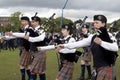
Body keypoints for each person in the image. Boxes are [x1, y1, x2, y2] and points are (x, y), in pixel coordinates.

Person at [57, 15, 118, 80]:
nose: (94, 25)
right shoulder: (93, 36)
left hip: (106, 67)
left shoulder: (109, 35)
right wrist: (64, 45)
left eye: (97, 23)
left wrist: (101, 43)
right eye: (94, 23)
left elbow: (115, 47)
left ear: (103, 24)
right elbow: (80, 43)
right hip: (97, 68)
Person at [24, 16, 46, 80]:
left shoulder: (41, 30)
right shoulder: (32, 30)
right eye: (32, 22)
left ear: (38, 22)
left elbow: (41, 39)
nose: (32, 23)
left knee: (34, 71)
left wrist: (30, 38)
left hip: (40, 52)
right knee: (40, 71)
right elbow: (24, 35)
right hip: (33, 52)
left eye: (33, 22)